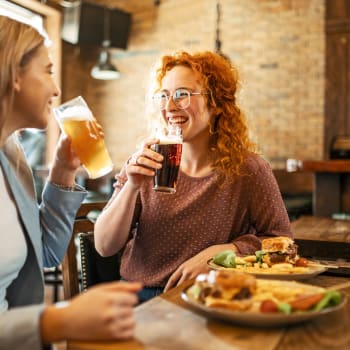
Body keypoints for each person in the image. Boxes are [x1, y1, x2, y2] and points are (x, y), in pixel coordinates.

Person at [94, 50, 292, 303]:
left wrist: (224, 253)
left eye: (182, 95)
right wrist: (131, 186)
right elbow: (104, 246)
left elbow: (282, 241)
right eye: (164, 96)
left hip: (212, 297)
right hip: (140, 297)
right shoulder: (145, 161)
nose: (169, 107)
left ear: (217, 103)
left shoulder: (249, 169)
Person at [0, 15, 141, 350]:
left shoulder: (12, 156)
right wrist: (58, 320)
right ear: (15, 75)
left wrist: (63, 170)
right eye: (48, 70)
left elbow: (47, 252)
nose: (56, 88)